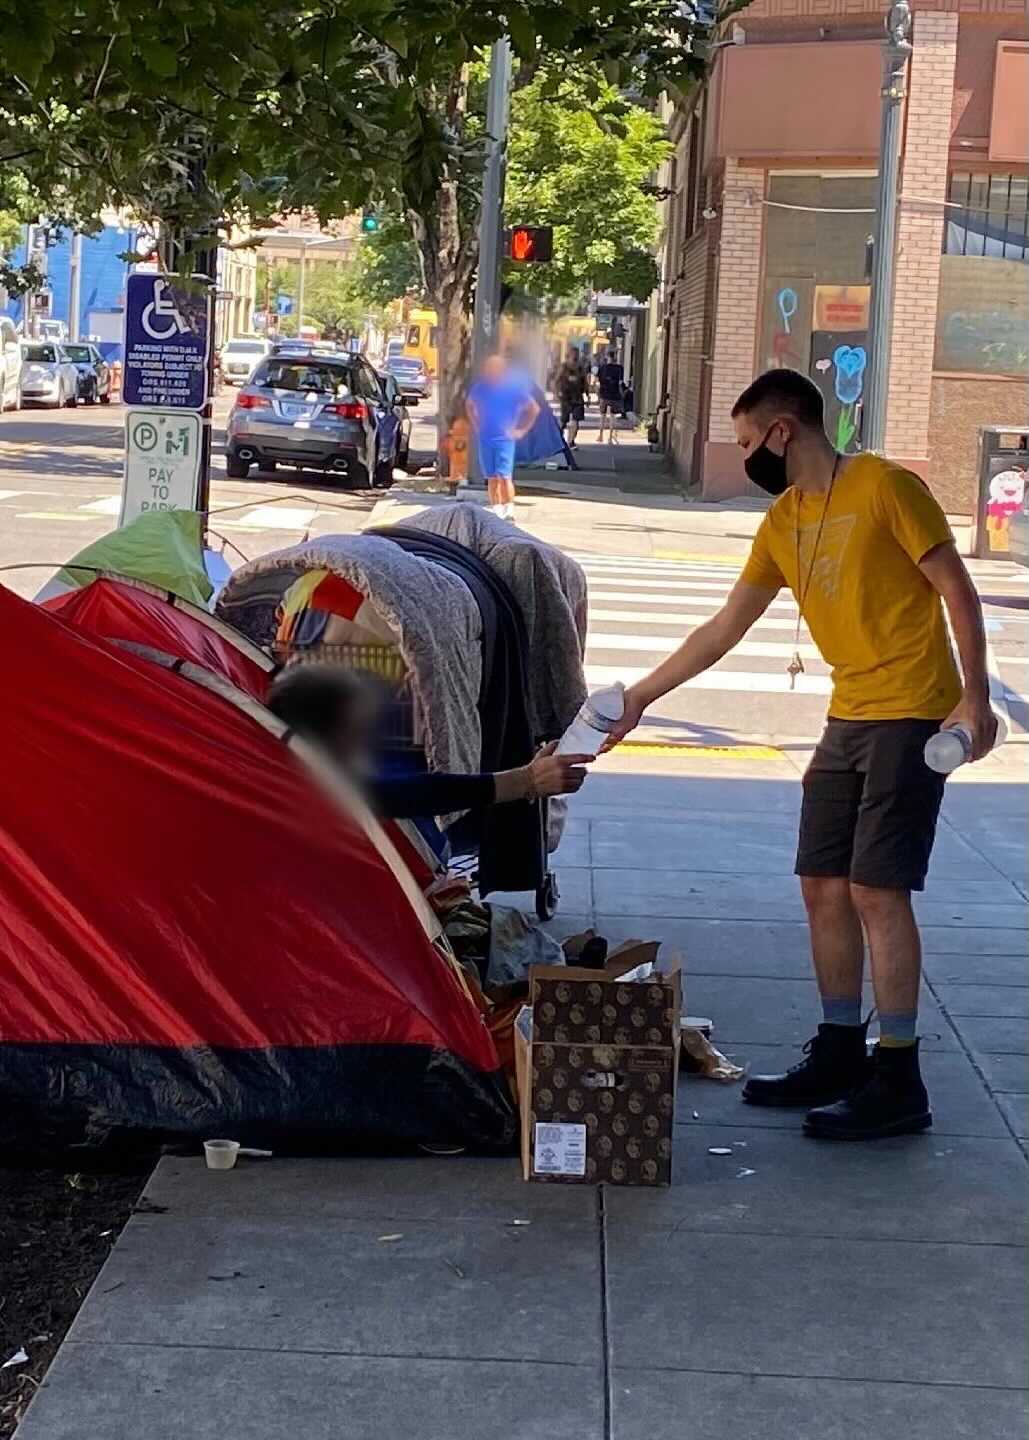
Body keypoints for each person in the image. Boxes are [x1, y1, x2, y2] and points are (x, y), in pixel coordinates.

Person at [606, 368, 997, 1142]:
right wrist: (640, 697)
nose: (747, 454)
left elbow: (956, 588)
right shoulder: (784, 520)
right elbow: (725, 626)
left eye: (749, 440)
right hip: (846, 714)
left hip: (913, 713)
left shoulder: (885, 486)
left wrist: (974, 699)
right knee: (821, 884)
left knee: (876, 890)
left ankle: (898, 1074)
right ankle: (840, 1048)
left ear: (783, 432)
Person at [267, 664, 591, 817]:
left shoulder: (273, 759)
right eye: (357, 732)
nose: (366, 743)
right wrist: (527, 780)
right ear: (326, 734)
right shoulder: (304, 791)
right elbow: (411, 794)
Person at [466, 353, 539, 519]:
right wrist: (476, 424)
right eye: (488, 368)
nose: (491, 372)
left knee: (504, 477)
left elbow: (533, 408)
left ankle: (509, 509)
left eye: (494, 368)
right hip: (486, 438)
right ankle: (496, 509)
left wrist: (521, 430)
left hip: (505, 440)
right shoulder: (481, 388)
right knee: (492, 478)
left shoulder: (512, 388)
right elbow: (469, 404)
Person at [556, 346, 589, 447]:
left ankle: (571, 441)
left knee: (576, 420)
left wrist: (588, 396)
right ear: (569, 355)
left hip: (577, 397)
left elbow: (585, 382)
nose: (575, 356)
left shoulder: (580, 367)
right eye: (573, 354)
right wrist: (557, 393)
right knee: (564, 421)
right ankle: (558, 439)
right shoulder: (564, 366)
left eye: (576, 354)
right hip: (566, 397)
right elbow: (557, 380)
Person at [596, 349, 624, 444]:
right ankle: (610, 438)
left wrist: (598, 395)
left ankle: (600, 435)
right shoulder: (619, 368)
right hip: (615, 395)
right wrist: (621, 394)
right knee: (612, 416)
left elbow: (597, 383)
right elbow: (620, 383)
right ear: (615, 357)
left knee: (602, 416)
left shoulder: (602, 368)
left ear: (607, 356)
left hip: (604, 395)